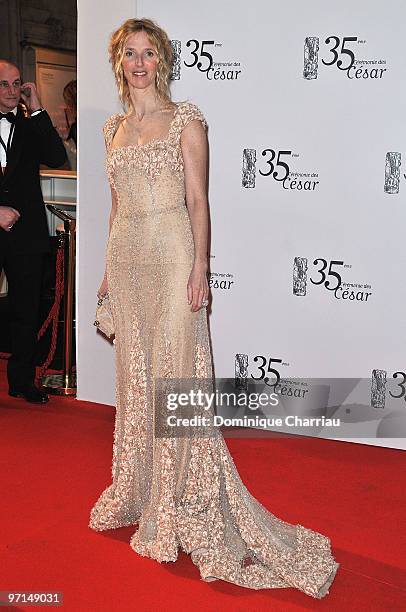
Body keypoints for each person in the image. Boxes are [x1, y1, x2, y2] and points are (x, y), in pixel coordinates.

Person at [89, 18, 340, 598]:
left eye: (149, 53)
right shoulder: (111, 130)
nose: (140, 63)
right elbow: (115, 207)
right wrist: (106, 270)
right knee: (136, 381)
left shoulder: (187, 120)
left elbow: (199, 201)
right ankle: (142, 486)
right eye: (130, 53)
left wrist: (200, 268)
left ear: (164, 61)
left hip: (174, 255)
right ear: (119, 62)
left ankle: (186, 497)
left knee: (176, 383)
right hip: (129, 262)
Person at [0, 60, 67, 403]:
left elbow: (58, 157)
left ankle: (23, 382)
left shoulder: (29, 126)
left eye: (17, 84)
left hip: (26, 234)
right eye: (4, 85)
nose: (12, 92)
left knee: (26, 309)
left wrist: (38, 107)